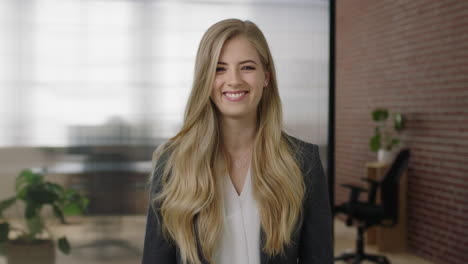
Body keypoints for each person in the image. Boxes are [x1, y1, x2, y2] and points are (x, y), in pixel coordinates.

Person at [142, 19, 332, 264]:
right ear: (205, 80)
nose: (234, 80)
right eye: (219, 69)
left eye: (247, 67)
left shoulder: (302, 161)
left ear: (266, 76)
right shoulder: (173, 162)